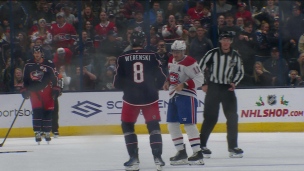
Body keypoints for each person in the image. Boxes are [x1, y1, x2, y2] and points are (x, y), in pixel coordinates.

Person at [113, 31, 166, 171]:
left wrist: (128, 87)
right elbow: (161, 78)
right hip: (150, 96)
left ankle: (134, 159)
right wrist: (155, 88)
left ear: (131, 41)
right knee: (153, 126)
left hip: (131, 98)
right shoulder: (152, 55)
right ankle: (158, 158)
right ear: (143, 42)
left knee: (127, 126)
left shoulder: (123, 57)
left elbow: (117, 83)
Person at [199, 31, 245, 158]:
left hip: (227, 89)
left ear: (231, 42)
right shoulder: (212, 53)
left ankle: (233, 146)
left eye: (228, 40)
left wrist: (234, 82)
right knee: (210, 118)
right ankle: (201, 145)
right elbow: (200, 67)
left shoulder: (235, 56)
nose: (226, 42)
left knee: (232, 118)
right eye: (224, 40)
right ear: (220, 41)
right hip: (213, 87)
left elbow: (240, 72)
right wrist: (204, 83)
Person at [163, 40, 205, 165]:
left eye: (178, 52)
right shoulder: (171, 59)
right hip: (173, 95)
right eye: (173, 52)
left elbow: (200, 79)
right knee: (172, 124)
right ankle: (181, 152)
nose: (175, 54)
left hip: (187, 96)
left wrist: (185, 85)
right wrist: (167, 81)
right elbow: (172, 74)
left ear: (183, 51)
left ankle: (197, 152)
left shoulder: (190, 62)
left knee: (189, 124)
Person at [21, 46, 61, 144]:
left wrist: (56, 89)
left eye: (38, 53)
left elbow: (55, 77)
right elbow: (25, 79)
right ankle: (37, 132)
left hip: (47, 91)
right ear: (33, 54)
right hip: (34, 91)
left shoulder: (49, 64)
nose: (37, 55)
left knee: (48, 111)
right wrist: (24, 90)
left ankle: (47, 132)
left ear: (42, 53)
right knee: (37, 110)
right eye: (35, 53)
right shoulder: (28, 64)